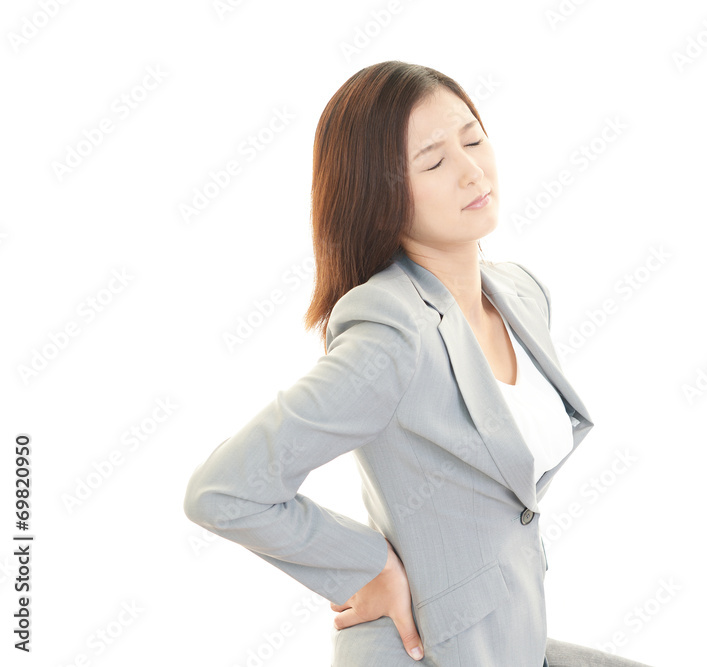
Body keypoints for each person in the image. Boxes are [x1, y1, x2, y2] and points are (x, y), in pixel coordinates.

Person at [183, 60, 653, 667]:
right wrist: (367, 565)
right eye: (433, 162)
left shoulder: (521, 293)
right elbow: (224, 491)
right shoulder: (391, 333)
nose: (471, 170)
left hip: (508, 639)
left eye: (474, 140)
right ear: (378, 196)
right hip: (424, 651)